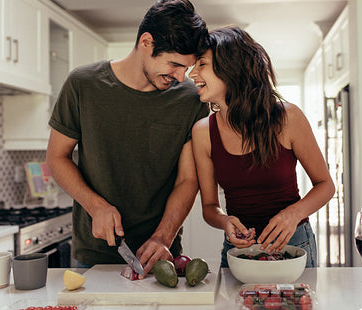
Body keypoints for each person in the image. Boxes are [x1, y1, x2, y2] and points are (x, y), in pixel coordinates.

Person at [46, 0, 209, 275]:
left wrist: (164, 237)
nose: (182, 77)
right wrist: (96, 206)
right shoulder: (82, 84)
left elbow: (187, 179)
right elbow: (56, 157)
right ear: (146, 42)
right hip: (93, 254)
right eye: (174, 64)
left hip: (160, 255)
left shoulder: (190, 100)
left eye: (187, 67)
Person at [189, 26, 335, 268]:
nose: (192, 74)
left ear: (230, 68)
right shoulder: (203, 131)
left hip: (295, 244)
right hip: (238, 251)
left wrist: (293, 215)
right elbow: (209, 206)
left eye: (201, 64)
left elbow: (326, 185)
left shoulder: (288, 118)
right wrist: (225, 221)